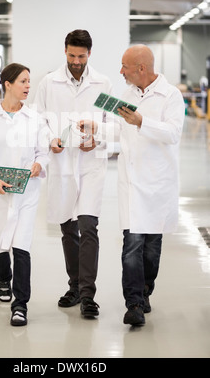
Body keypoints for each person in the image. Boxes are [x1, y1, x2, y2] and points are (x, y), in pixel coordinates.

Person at [78, 44, 185, 326]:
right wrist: (95, 132)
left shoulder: (171, 96)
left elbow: (173, 133)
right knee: (132, 245)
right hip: (131, 184)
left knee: (151, 248)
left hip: (158, 184)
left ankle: (146, 291)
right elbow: (117, 128)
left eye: (125, 66)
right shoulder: (125, 95)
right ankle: (134, 303)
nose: (121, 71)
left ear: (141, 69)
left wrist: (141, 121)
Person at [34, 29, 113, 319]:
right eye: (71, 55)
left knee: (89, 226)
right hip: (63, 164)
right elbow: (39, 120)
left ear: (89, 54)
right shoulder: (48, 83)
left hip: (91, 165)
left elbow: (113, 121)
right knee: (68, 229)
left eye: (81, 56)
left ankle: (87, 295)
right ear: (64, 52)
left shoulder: (103, 83)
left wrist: (98, 137)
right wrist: (49, 140)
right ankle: (74, 286)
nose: (76, 61)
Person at [0, 63, 49, 327]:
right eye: (23, 82)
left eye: (29, 81)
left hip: (25, 193)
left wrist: (40, 164)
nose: (28, 87)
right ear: (8, 85)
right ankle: (3, 278)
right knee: (0, 245)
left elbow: (43, 151)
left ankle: (20, 305)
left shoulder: (35, 118)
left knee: (22, 246)